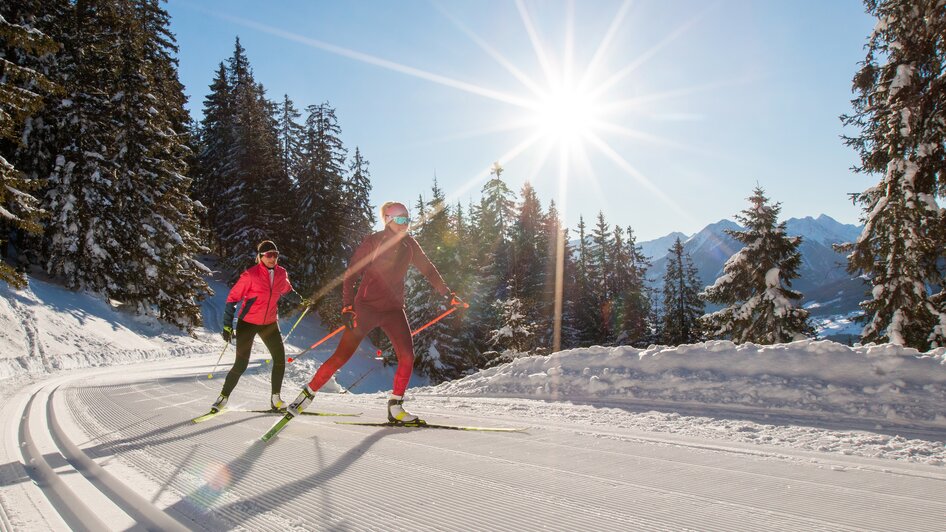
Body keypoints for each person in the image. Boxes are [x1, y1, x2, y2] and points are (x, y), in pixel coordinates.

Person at [285, 201, 463, 424]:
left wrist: (448, 294)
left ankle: (395, 408)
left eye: (407, 219)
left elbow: (428, 269)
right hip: (366, 307)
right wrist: (348, 306)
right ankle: (306, 395)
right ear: (388, 219)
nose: (404, 224)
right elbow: (351, 273)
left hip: (393, 310)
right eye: (400, 219)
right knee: (342, 355)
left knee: (407, 356)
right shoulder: (374, 241)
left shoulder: (410, 244)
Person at [210, 240, 297, 413]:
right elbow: (232, 299)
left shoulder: (281, 273)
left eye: (275, 254)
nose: (273, 258)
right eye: (269, 255)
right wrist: (227, 325)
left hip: (269, 323)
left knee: (280, 360)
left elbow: (287, 290)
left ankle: (276, 399)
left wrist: (302, 300)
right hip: (248, 323)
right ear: (260, 257)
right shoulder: (250, 275)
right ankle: (222, 397)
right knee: (241, 364)